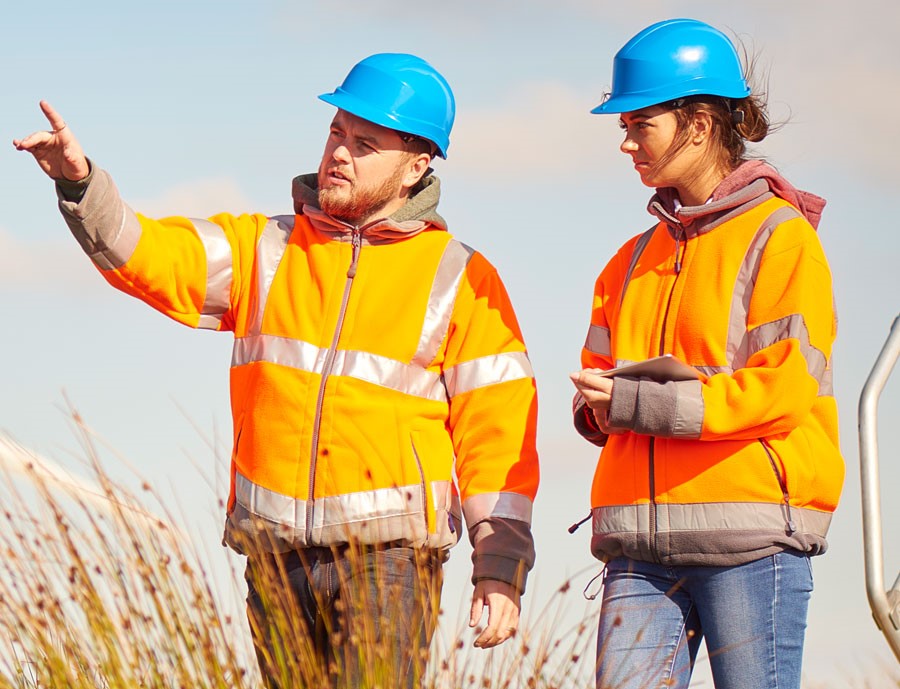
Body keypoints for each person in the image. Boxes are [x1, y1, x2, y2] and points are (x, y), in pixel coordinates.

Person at [15, 52, 540, 689]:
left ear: (417, 166)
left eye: (365, 143)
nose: (340, 153)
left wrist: (500, 565)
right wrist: (80, 185)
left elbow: (499, 430)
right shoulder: (265, 246)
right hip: (275, 559)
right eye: (337, 133)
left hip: (389, 566)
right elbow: (149, 253)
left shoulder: (461, 278)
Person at [568, 19, 844, 689]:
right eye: (623, 127)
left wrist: (640, 402)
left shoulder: (781, 240)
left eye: (641, 123)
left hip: (752, 546)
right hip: (638, 550)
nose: (627, 142)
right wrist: (598, 411)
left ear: (698, 124)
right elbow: (599, 386)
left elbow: (783, 390)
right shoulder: (629, 261)